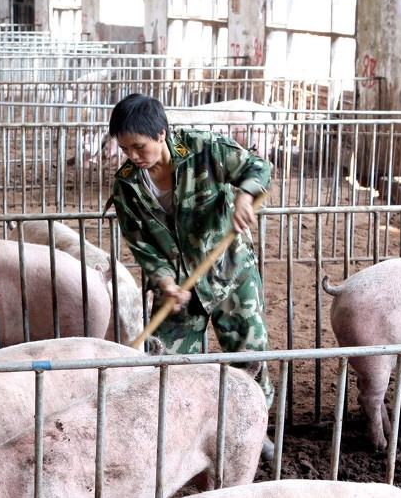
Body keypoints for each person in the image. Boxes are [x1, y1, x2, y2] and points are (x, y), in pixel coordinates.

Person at [107, 94, 275, 455]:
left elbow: (258, 167)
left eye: (139, 146)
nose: (134, 157)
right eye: (125, 149)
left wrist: (245, 196)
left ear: (162, 134)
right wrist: (165, 280)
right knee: (162, 361)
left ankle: (255, 426)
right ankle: (173, 436)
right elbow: (143, 244)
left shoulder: (204, 148)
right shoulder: (127, 186)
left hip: (229, 269)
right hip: (177, 286)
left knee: (249, 352)